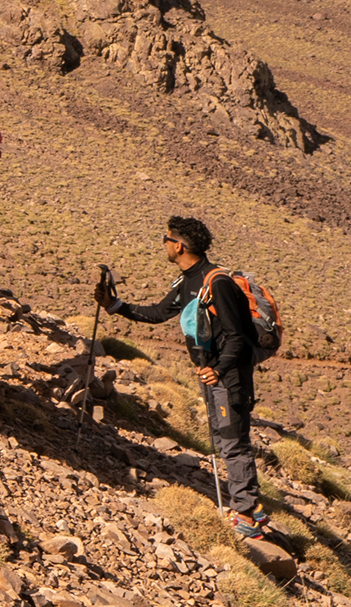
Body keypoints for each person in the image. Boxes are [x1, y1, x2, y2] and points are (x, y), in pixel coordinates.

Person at [99, 216, 271, 540]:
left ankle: (247, 516)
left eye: (166, 239)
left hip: (229, 376)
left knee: (233, 441)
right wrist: (114, 306)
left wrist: (218, 369)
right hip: (213, 374)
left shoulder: (215, 283)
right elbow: (158, 313)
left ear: (179, 245)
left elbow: (236, 336)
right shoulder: (187, 281)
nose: (163, 244)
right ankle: (252, 507)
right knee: (224, 440)